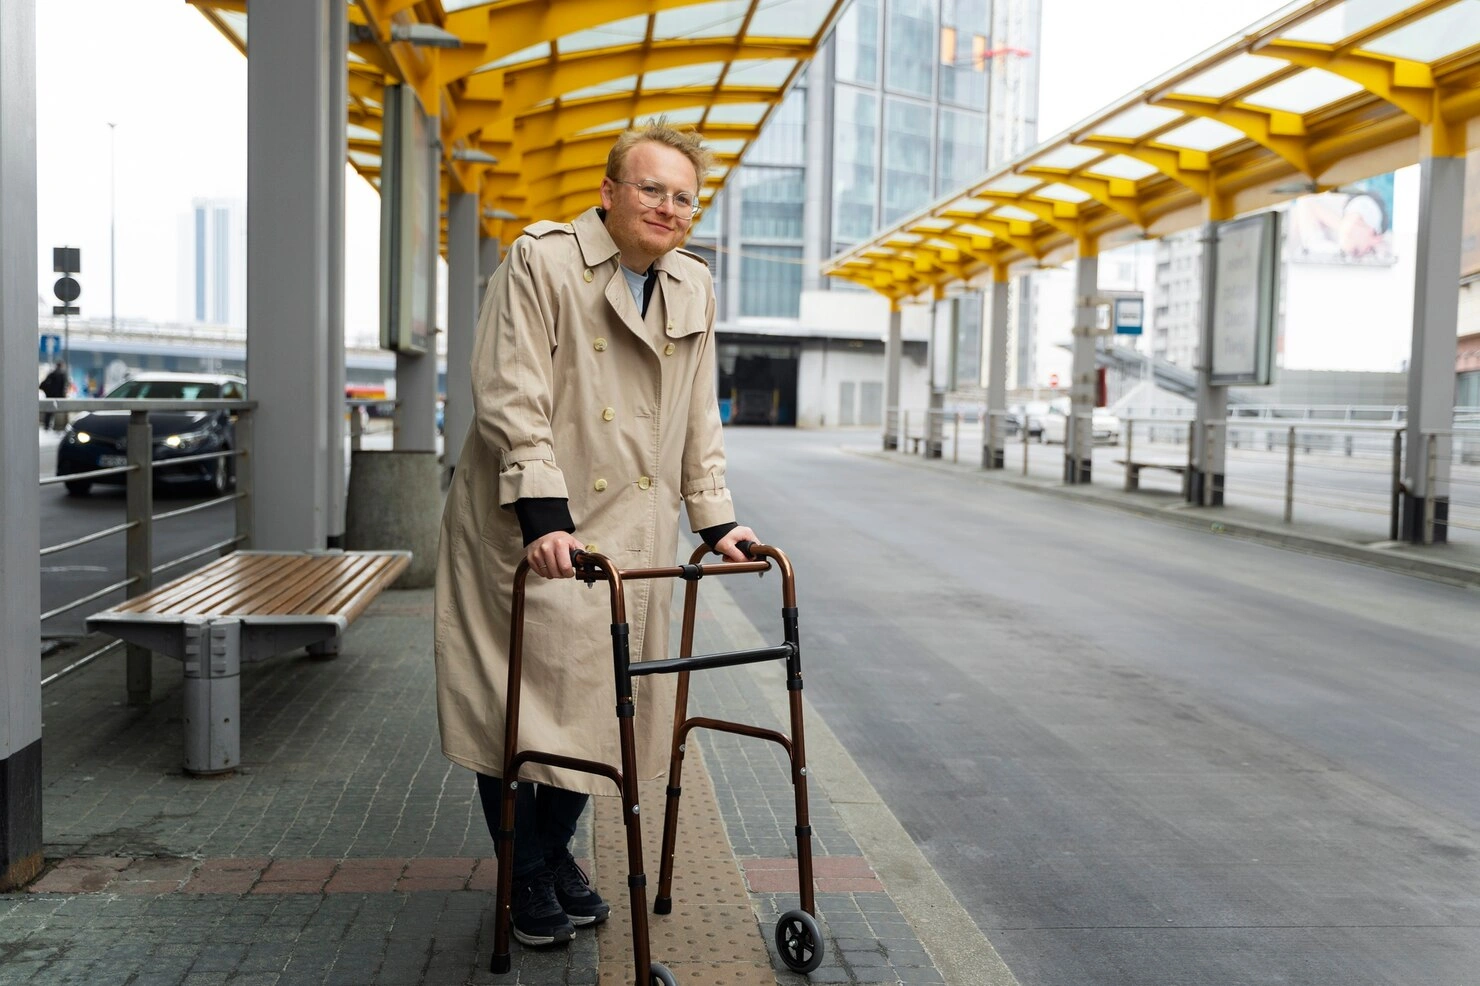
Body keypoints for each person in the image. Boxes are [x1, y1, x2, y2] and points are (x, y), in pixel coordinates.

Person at [434, 118, 757, 950]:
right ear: (608, 193)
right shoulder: (542, 260)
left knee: (604, 704)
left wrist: (716, 517)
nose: (668, 206)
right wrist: (544, 514)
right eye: (651, 188)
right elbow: (510, 391)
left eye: (683, 196)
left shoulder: (692, 286)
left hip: (630, 533)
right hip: (530, 522)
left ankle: (546, 854)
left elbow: (696, 412)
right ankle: (529, 872)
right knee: (513, 705)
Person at [40, 361, 68, 429]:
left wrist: (48, 392)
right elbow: (63, 387)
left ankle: (47, 426)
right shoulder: (62, 375)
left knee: (49, 412)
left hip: (50, 396)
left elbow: (42, 384)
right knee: (58, 413)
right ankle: (57, 427)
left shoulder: (52, 374)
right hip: (59, 397)